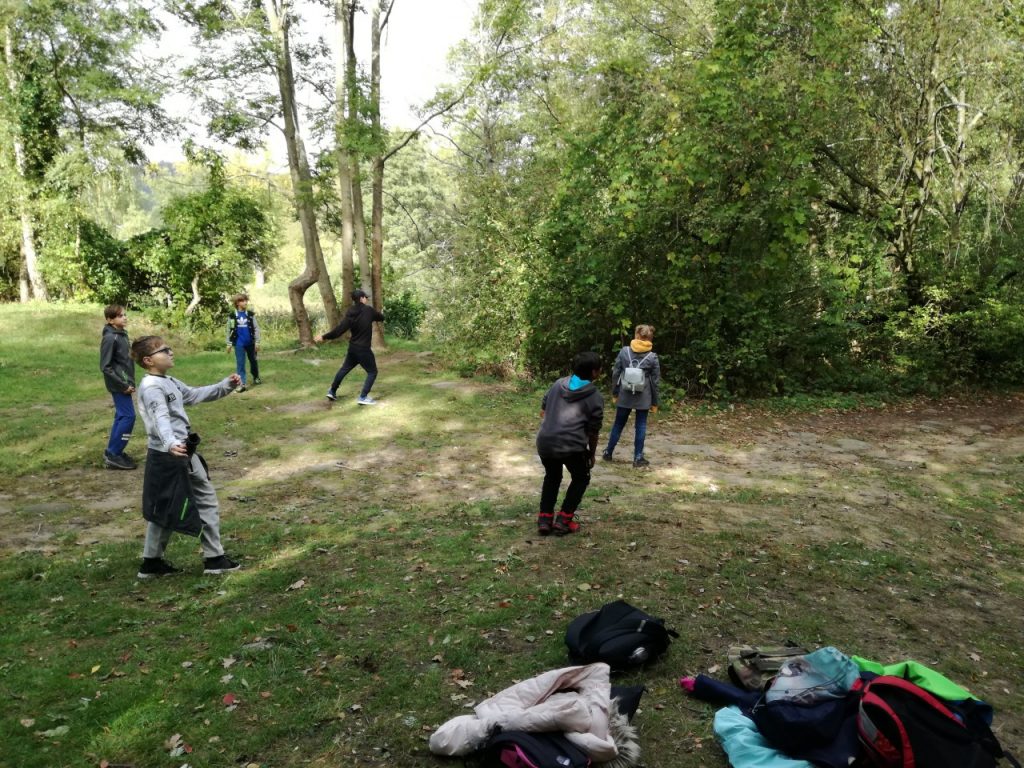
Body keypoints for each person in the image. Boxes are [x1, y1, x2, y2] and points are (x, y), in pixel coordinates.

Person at [132, 335, 242, 578]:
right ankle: (215, 559)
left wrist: (225, 385)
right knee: (204, 501)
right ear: (149, 360)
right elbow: (160, 417)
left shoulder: (167, 381)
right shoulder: (152, 387)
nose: (170, 352)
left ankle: (151, 563)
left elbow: (193, 395)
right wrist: (170, 443)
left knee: (164, 506)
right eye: (164, 350)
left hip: (176, 452)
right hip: (173, 453)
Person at [535, 351, 604, 536]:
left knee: (552, 476)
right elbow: (593, 431)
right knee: (581, 477)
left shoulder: (558, 384)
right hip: (571, 447)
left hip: (545, 442)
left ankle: (545, 519)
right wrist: (591, 453)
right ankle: (564, 520)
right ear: (595, 372)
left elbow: (543, 410)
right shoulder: (595, 396)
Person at [602, 324, 661, 468]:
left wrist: (615, 392)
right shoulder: (652, 357)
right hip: (644, 396)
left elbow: (616, 373)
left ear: (636, 335)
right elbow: (655, 382)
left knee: (618, 423)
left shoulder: (624, 352)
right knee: (641, 426)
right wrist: (655, 402)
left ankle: (608, 452)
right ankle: (638, 457)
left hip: (625, 393)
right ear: (650, 338)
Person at [314, 289, 385, 405]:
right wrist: (375, 314)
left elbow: (338, 331)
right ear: (361, 298)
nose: (367, 299)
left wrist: (323, 337)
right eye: (365, 297)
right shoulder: (369, 310)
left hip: (353, 348)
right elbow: (381, 317)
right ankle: (363, 397)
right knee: (372, 372)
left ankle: (332, 391)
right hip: (363, 349)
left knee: (344, 369)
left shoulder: (350, 313)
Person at [99, 304, 137, 470]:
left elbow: (124, 360)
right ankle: (114, 453)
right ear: (110, 320)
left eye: (125, 315)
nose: (125, 318)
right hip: (119, 385)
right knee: (129, 417)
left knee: (121, 416)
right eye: (120, 316)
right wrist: (123, 385)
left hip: (125, 383)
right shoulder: (110, 338)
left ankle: (113, 452)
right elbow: (105, 367)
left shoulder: (122, 334)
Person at [226, 293, 261, 391]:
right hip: (239, 344)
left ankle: (256, 377)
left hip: (251, 343)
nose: (245, 302)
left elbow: (256, 328)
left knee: (253, 361)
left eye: (246, 300)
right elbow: (229, 330)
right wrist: (229, 343)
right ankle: (242, 384)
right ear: (237, 303)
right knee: (240, 364)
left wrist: (257, 342)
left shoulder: (250, 315)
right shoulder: (232, 316)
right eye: (243, 301)